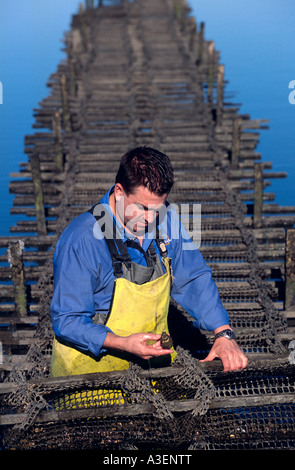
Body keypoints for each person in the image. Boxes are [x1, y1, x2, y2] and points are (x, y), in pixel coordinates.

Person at [50, 146, 248, 377]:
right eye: (142, 208)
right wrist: (123, 343)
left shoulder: (166, 218)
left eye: (158, 208)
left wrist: (223, 334)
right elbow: (67, 320)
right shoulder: (81, 239)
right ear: (120, 191)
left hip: (152, 369)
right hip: (88, 375)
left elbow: (193, 277)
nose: (150, 218)